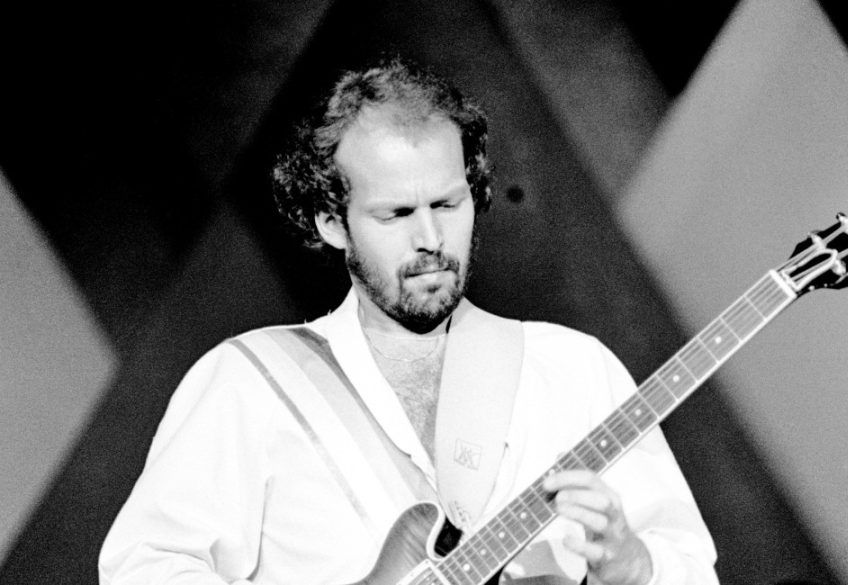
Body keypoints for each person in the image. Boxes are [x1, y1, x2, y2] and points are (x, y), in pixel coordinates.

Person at [98, 58, 718, 585]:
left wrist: (635, 565)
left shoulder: (572, 370)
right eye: (395, 213)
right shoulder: (250, 381)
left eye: (447, 204)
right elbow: (143, 569)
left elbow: (694, 568)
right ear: (331, 221)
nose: (430, 239)